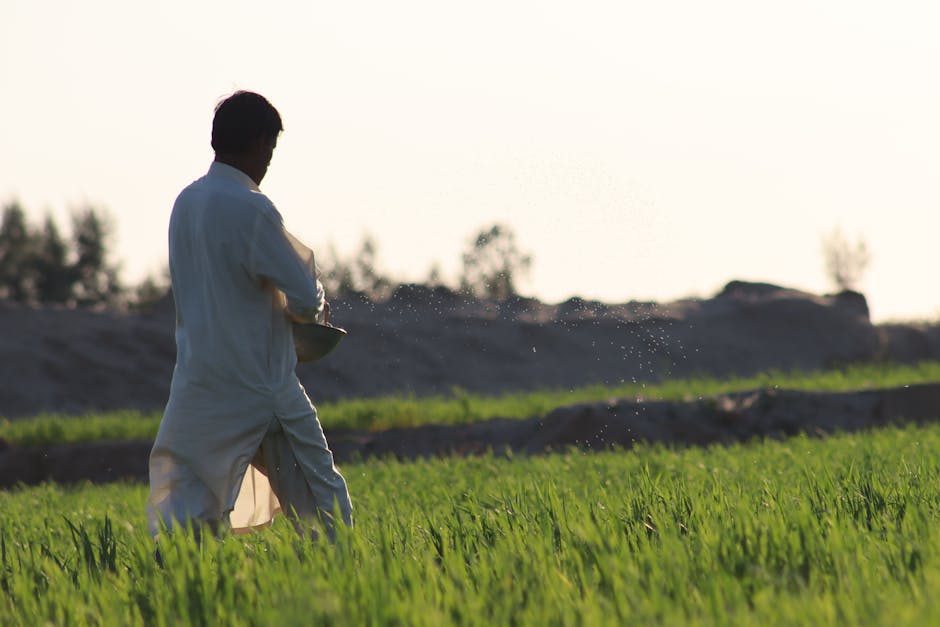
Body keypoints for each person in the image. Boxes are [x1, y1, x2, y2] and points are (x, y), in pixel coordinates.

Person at [146, 91, 353, 542]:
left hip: (201, 383)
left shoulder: (187, 203)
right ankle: (340, 589)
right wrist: (315, 307)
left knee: (187, 509)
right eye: (271, 150)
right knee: (323, 502)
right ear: (260, 143)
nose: (269, 162)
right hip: (262, 385)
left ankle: (172, 591)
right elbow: (303, 294)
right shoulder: (251, 207)